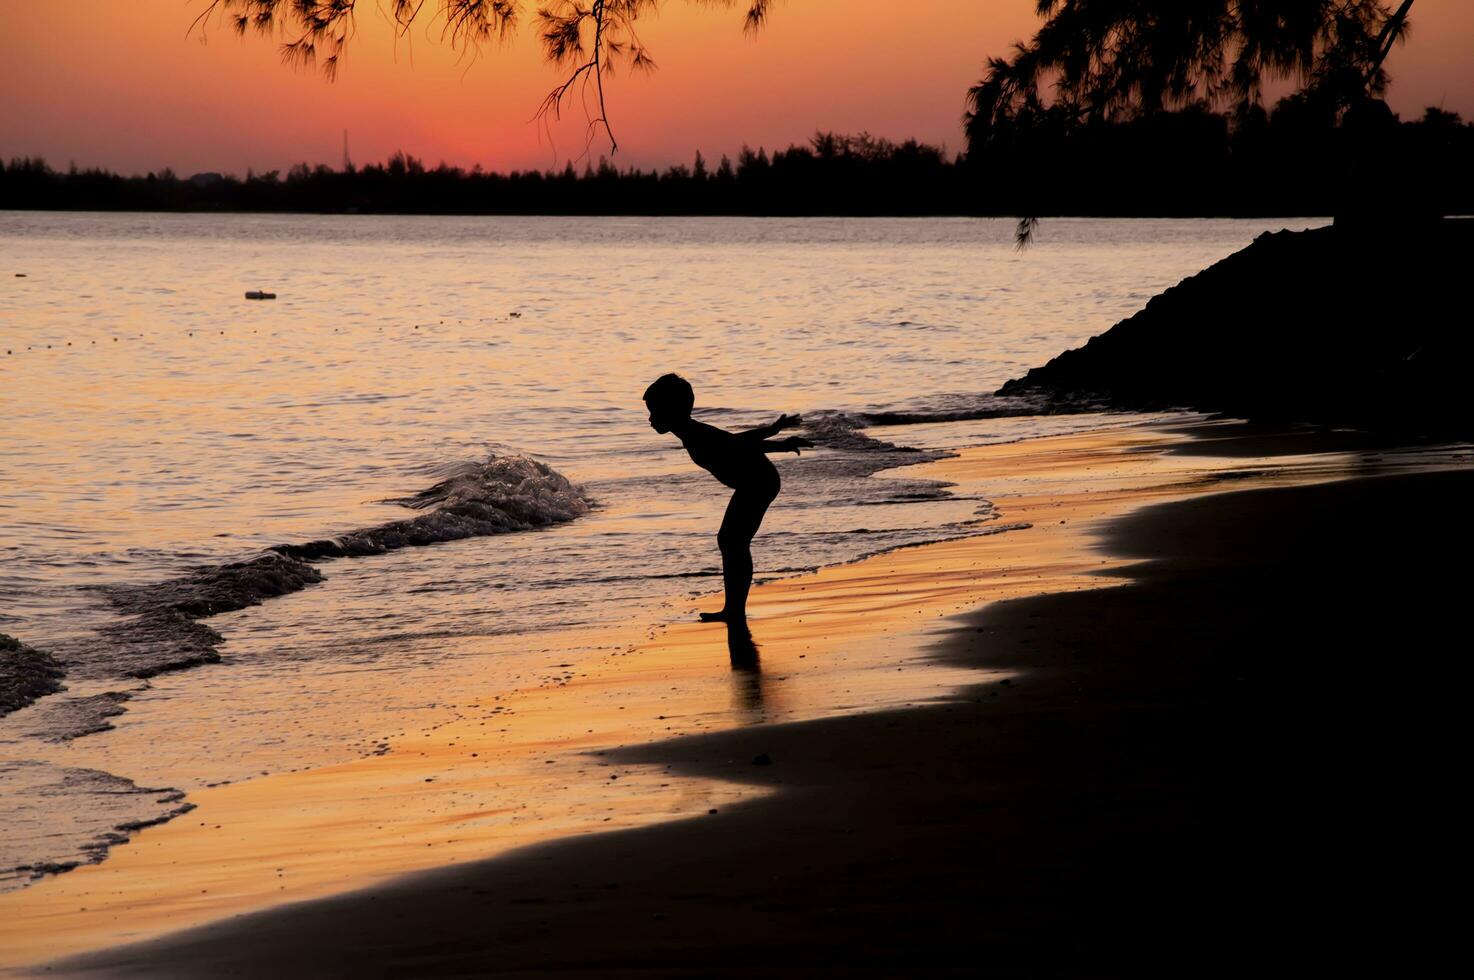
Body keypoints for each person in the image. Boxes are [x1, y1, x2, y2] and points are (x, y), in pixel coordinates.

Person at [643, 373, 811, 625]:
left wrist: (776, 436)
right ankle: (733, 608)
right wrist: (780, 441)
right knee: (731, 542)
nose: (650, 418)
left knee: (733, 542)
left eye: (655, 411)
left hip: (758, 481)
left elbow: (737, 443)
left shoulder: (695, 433)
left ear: (672, 410)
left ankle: (734, 610)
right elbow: (737, 444)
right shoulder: (690, 433)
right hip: (753, 482)